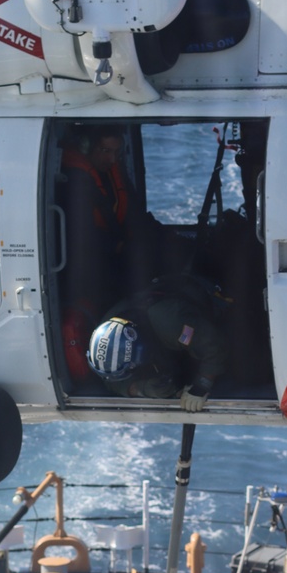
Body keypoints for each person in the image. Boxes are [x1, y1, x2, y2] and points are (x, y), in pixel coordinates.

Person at [58, 129, 162, 380]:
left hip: (112, 253)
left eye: (116, 152)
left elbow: (132, 213)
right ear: (87, 148)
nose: (112, 159)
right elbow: (80, 235)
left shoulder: (112, 174)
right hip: (87, 265)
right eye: (105, 151)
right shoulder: (75, 182)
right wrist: (119, 246)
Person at [86, 275, 229, 412]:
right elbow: (110, 378)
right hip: (162, 302)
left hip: (203, 293)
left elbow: (214, 345)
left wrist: (202, 385)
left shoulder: (171, 324)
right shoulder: (106, 331)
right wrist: (141, 389)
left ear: (141, 351)